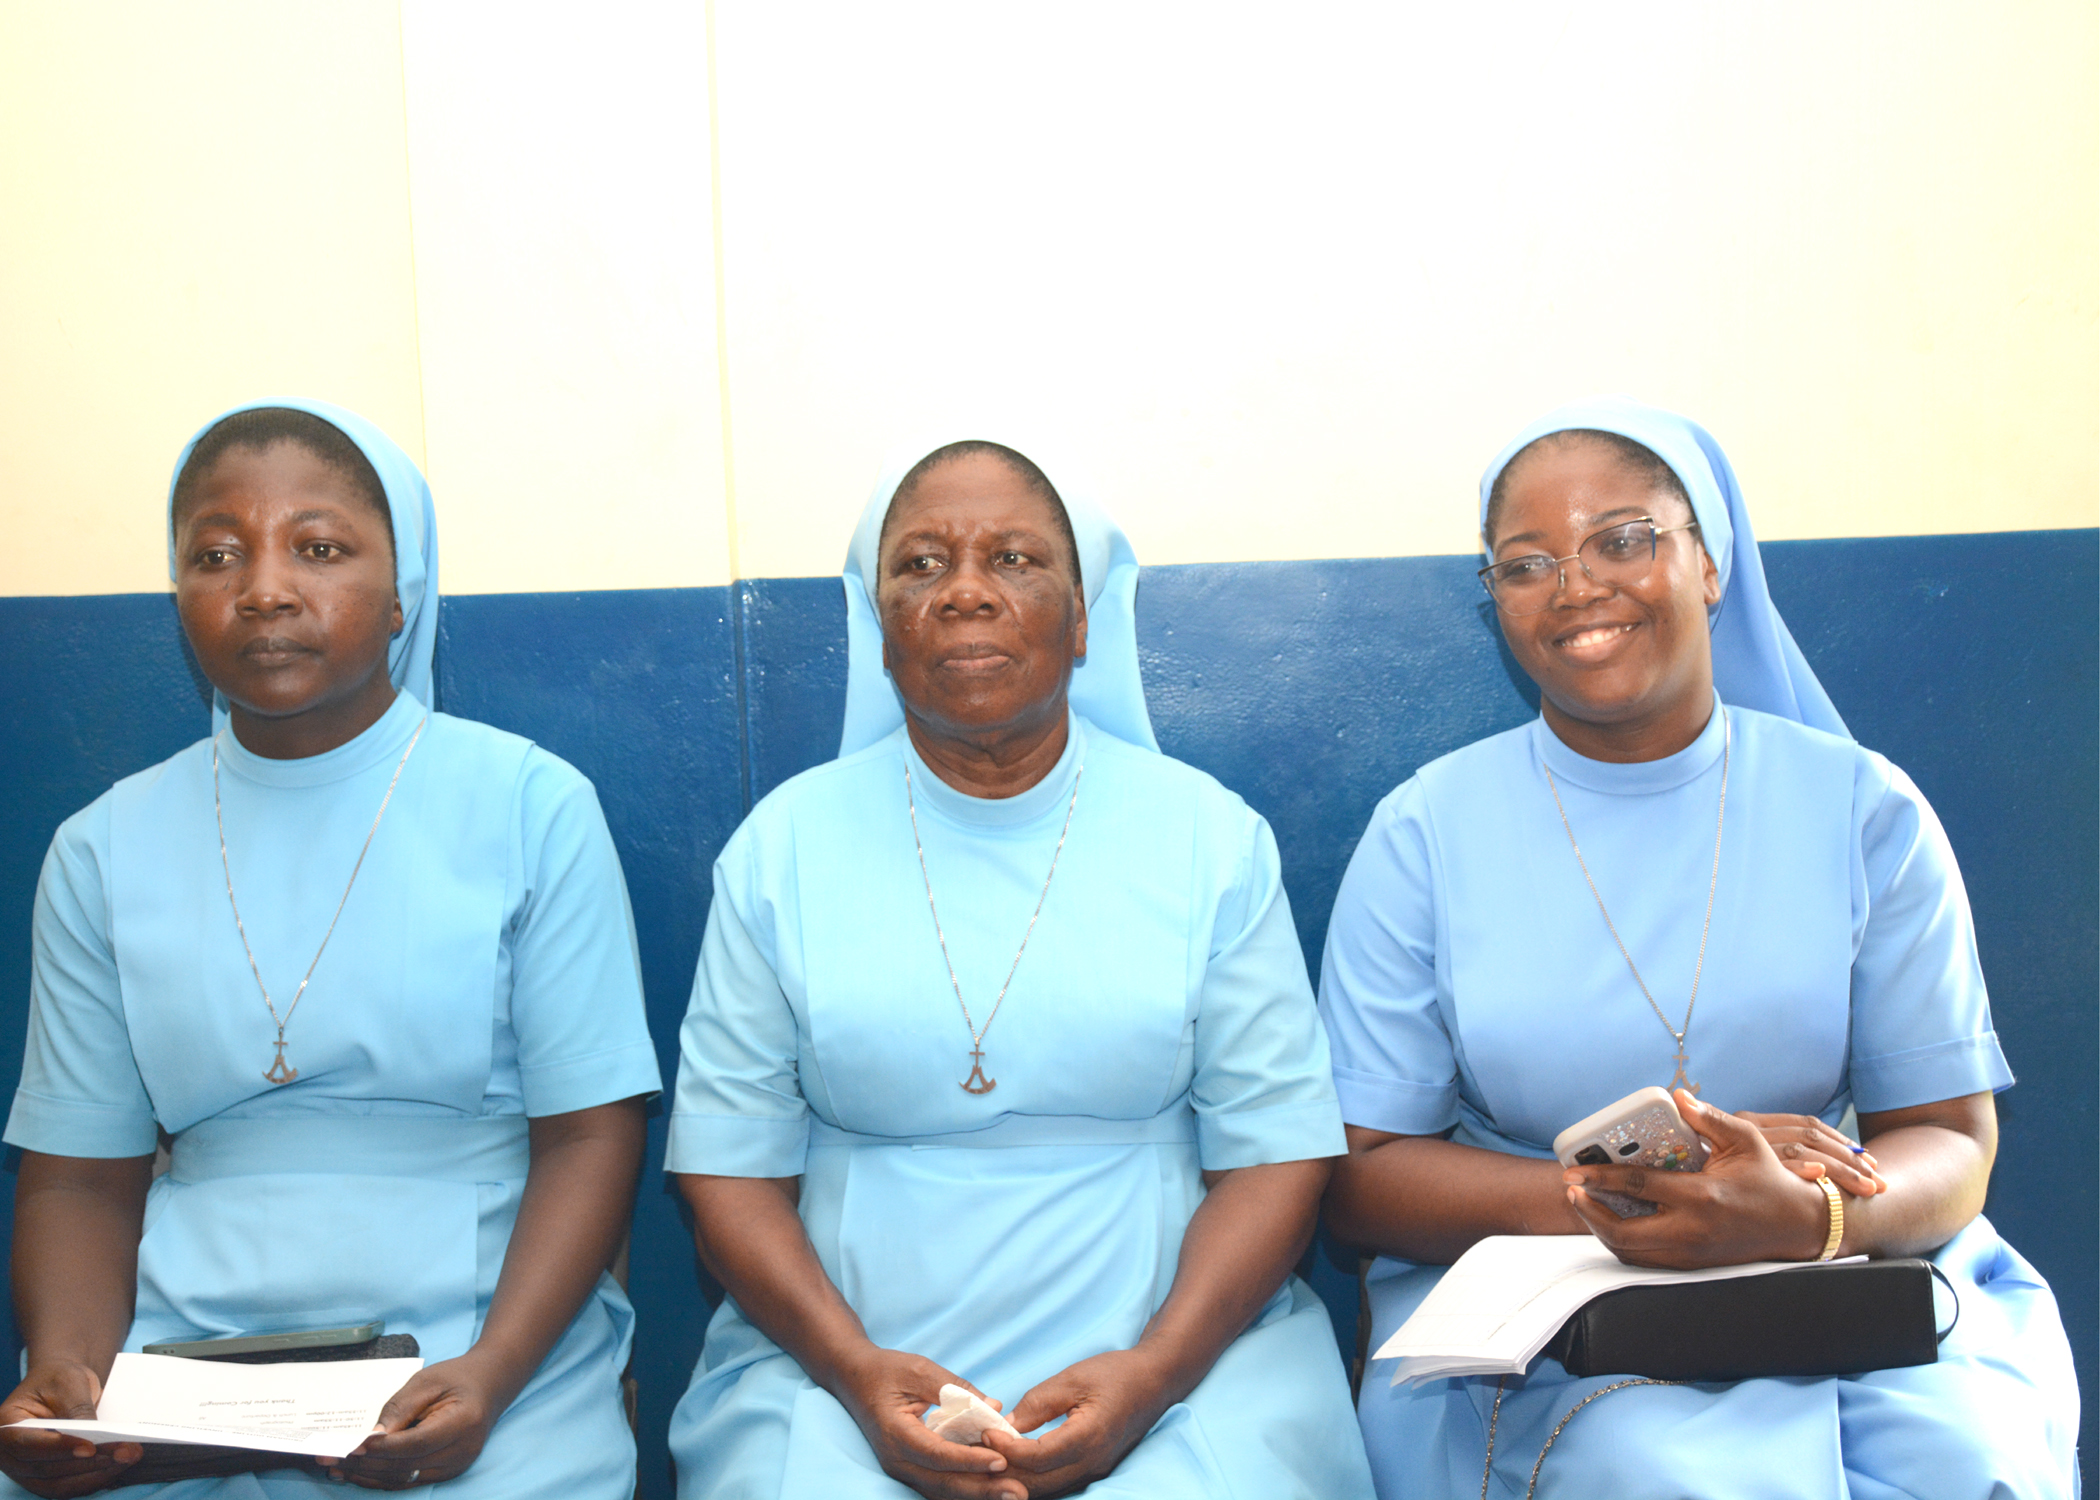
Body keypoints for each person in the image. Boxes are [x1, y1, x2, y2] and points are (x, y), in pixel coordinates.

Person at [1317, 396, 2080, 1499]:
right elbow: (1362, 1174)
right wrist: (1624, 1202)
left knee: (1964, 1461)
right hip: (1545, 1311)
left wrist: (1811, 1216)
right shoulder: (1424, 833)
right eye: (1526, 563)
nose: (1576, 585)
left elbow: (1952, 1136)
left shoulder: (1865, 810)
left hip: (1838, 1276)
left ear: (1711, 564)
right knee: (1649, 1472)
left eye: (1623, 540)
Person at [663, 436, 1375, 1499]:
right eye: (921, 564)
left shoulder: (1209, 839)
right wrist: (854, 1373)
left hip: (1178, 1349)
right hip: (840, 1360)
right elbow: (727, 1169)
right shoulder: (782, 850)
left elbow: (1276, 1157)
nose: (965, 592)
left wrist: (1155, 1374)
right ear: (881, 626)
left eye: (1013, 558)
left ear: (1083, 620)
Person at [0, 402, 660, 1497]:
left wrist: (495, 1373)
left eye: (318, 548)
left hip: (484, 1340)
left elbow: (590, 1135)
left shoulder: (529, 805)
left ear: (402, 593)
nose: (263, 588)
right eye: (217, 554)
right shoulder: (100, 848)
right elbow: (80, 1178)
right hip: (185, 1360)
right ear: (179, 595)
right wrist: (71, 1372)